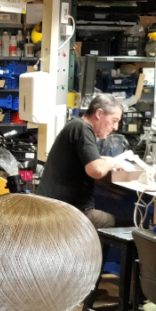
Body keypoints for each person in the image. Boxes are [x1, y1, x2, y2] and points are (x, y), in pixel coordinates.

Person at [37, 93, 123, 229]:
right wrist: (111, 162)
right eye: (114, 120)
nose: (115, 127)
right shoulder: (83, 128)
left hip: (54, 206)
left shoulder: (75, 125)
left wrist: (104, 160)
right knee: (123, 224)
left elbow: (88, 159)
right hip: (67, 212)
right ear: (99, 114)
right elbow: (96, 170)